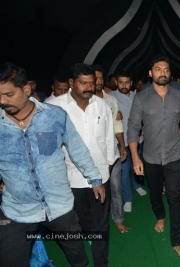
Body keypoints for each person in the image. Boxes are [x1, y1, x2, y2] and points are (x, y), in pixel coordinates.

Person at [0, 62, 103, 267]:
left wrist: (95, 179)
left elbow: (77, 149)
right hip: (17, 210)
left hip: (59, 205)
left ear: (27, 89)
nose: (2, 101)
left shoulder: (54, 115)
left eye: (9, 94)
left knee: (79, 259)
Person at [49, 63, 118, 266]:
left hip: (100, 176)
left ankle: (100, 261)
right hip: (71, 179)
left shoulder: (101, 105)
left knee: (101, 224)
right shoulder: (55, 107)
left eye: (92, 82)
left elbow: (108, 139)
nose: (89, 87)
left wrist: (108, 167)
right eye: (83, 83)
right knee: (79, 222)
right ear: (71, 83)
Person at [127, 55, 180, 257]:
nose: (162, 72)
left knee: (175, 197)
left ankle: (177, 240)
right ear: (150, 73)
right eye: (158, 69)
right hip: (150, 156)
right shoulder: (141, 98)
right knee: (155, 193)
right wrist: (135, 158)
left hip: (174, 155)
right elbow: (132, 127)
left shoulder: (179, 96)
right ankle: (160, 216)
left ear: (169, 73)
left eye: (166, 69)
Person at [93, 64, 130, 233]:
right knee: (94, 190)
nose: (99, 81)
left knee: (115, 187)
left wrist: (122, 145)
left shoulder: (110, 100)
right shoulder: (84, 102)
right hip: (92, 156)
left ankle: (118, 219)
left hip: (112, 152)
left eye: (101, 78)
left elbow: (117, 124)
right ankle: (97, 223)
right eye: (96, 78)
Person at [110, 72, 147, 213]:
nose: (124, 85)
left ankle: (137, 185)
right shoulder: (111, 97)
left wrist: (143, 129)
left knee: (136, 165)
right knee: (124, 171)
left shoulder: (137, 96)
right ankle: (128, 199)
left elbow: (142, 115)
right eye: (121, 82)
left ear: (131, 83)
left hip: (137, 139)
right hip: (121, 141)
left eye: (126, 82)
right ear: (116, 83)